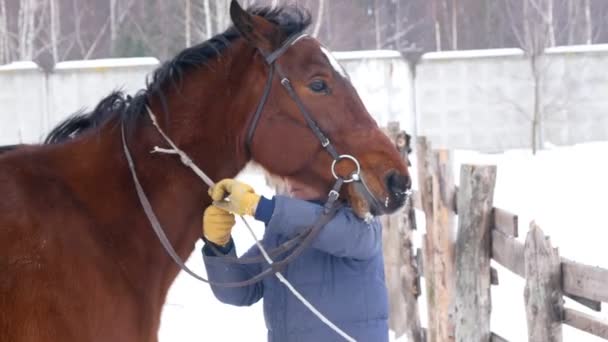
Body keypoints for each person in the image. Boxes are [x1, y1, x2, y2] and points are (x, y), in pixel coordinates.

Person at [202, 178, 389, 342]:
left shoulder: (362, 223)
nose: (291, 180)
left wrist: (261, 207)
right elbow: (238, 291)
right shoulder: (280, 235)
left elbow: (330, 231)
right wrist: (219, 246)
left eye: (302, 171)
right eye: (287, 174)